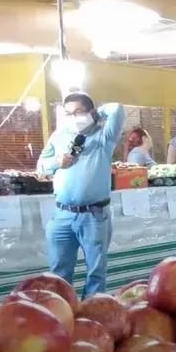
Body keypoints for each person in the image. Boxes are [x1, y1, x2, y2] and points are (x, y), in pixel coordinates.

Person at [37, 93, 125, 297]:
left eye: (78, 112)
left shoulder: (104, 137)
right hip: (62, 215)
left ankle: (91, 314)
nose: (73, 117)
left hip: (94, 215)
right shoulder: (59, 136)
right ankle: (62, 312)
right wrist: (56, 163)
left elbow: (117, 108)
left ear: (90, 112)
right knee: (58, 273)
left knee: (96, 271)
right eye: (68, 113)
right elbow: (41, 165)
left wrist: (97, 114)